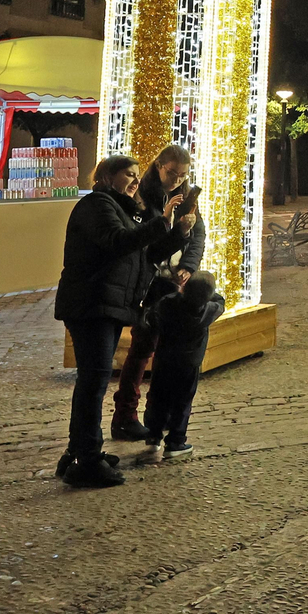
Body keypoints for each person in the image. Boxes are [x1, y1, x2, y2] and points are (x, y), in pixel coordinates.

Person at [54, 155, 194, 488]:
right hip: (91, 305)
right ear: (107, 176)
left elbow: (144, 255)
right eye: (128, 174)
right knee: (93, 382)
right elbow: (118, 243)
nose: (135, 181)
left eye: (136, 175)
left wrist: (178, 233)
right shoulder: (97, 205)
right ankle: (87, 461)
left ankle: (79, 451)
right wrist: (162, 221)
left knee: (94, 382)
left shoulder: (123, 210)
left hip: (110, 305)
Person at [112, 144, 207, 440]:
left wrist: (188, 266)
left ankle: (158, 414)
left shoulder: (187, 197)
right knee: (142, 348)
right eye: (172, 173)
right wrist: (176, 230)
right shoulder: (143, 196)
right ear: (158, 166)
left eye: (183, 175)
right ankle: (125, 414)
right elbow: (149, 247)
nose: (178, 179)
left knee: (169, 352)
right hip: (150, 282)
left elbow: (198, 235)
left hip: (175, 280)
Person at [142, 271, 225, 459]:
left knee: (158, 397)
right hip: (189, 363)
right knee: (182, 401)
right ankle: (176, 441)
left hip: (164, 359)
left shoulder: (168, 303)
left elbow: (152, 317)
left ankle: (153, 436)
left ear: (185, 288)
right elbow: (220, 300)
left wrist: (178, 290)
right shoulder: (210, 309)